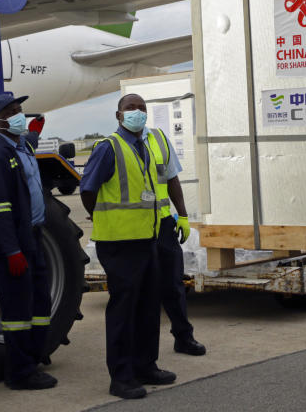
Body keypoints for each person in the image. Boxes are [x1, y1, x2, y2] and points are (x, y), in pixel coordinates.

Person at [79, 93, 188, 399]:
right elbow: (88, 190)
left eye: (142, 108)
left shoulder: (146, 147)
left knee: (148, 306)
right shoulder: (109, 147)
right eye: (131, 108)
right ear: (119, 115)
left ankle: (146, 365)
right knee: (123, 311)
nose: (137, 112)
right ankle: (121, 377)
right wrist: (101, 217)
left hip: (147, 239)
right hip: (119, 243)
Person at [0, 93, 57, 389]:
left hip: (33, 236)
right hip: (15, 244)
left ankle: (34, 358)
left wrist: (36, 132)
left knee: (39, 302)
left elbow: (29, 144)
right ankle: (20, 373)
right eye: (12, 111)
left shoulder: (21, 146)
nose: (19, 115)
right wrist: (12, 250)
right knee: (17, 311)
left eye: (20, 110)